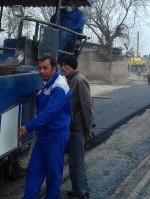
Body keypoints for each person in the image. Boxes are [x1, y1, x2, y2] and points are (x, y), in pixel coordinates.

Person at [19, 55, 72, 199]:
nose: (41, 71)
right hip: (43, 136)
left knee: (53, 174)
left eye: (45, 68)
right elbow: (43, 105)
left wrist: (28, 128)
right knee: (34, 171)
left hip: (56, 136)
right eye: (39, 68)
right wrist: (38, 96)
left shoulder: (60, 86)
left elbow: (48, 113)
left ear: (54, 69)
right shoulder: (48, 83)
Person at [60, 55, 94, 199]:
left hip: (78, 128)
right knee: (77, 161)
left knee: (76, 162)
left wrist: (88, 130)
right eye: (62, 65)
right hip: (71, 127)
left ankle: (79, 193)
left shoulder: (80, 80)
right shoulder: (69, 80)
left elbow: (87, 107)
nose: (63, 68)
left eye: (66, 65)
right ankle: (83, 190)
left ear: (73, 66)